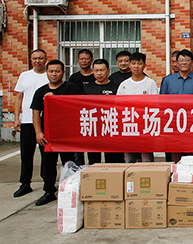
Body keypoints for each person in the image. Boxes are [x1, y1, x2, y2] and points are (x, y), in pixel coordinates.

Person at [31, 60, 82, 206]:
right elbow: (36, 113)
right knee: (48, 163)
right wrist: (38, 132)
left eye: (57, 71)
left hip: (66, 134)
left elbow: (75, 107)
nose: (54, 74)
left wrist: (55, 99)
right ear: (47, 73)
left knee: (69, 162)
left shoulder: (71, 88)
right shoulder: (40, 91)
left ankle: (70, 190)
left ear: (63, 73)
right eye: (51, 71)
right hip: (48, 135)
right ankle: (48, 191)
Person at [12, 49, 49, 198]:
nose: (37, 61)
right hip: (27, 120)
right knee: (26, 154)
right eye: (34, 58)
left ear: (46, 59)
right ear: (31, 60)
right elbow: (19, 97)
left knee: (46, 155)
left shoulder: (50, 75)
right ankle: (25, 184)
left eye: (40, 58)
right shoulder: (24, 76)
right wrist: (17, 118)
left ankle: (48, 183)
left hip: (45, 121)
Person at [160, 49, 193, 162]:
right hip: (173, 125)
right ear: (176, 63)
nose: (184, 62)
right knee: (176, 157)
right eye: (181, 60)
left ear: (192, 62)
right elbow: (162, 102)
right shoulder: (167, 80)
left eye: (187, 60)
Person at [117, 52, 158, 163]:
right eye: (133, 63)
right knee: (129, 158)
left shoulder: (150, 83)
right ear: (129, 65)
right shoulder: (124, 85)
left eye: (139, 63)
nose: (136, 66)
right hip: (128, 126)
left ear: (144, 65)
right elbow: (118, 106)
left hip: (145, 127)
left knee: (146, 159)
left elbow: (155, 105)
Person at [83, 59, 123, 164]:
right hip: (94, 128)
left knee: (112, 159)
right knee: (93, 159)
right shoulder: (87, 88)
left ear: (108, 71)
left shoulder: (116, 87)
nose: (99, 73)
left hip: (111, 127)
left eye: (102, 70)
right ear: (93, 71)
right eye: (96, 70)